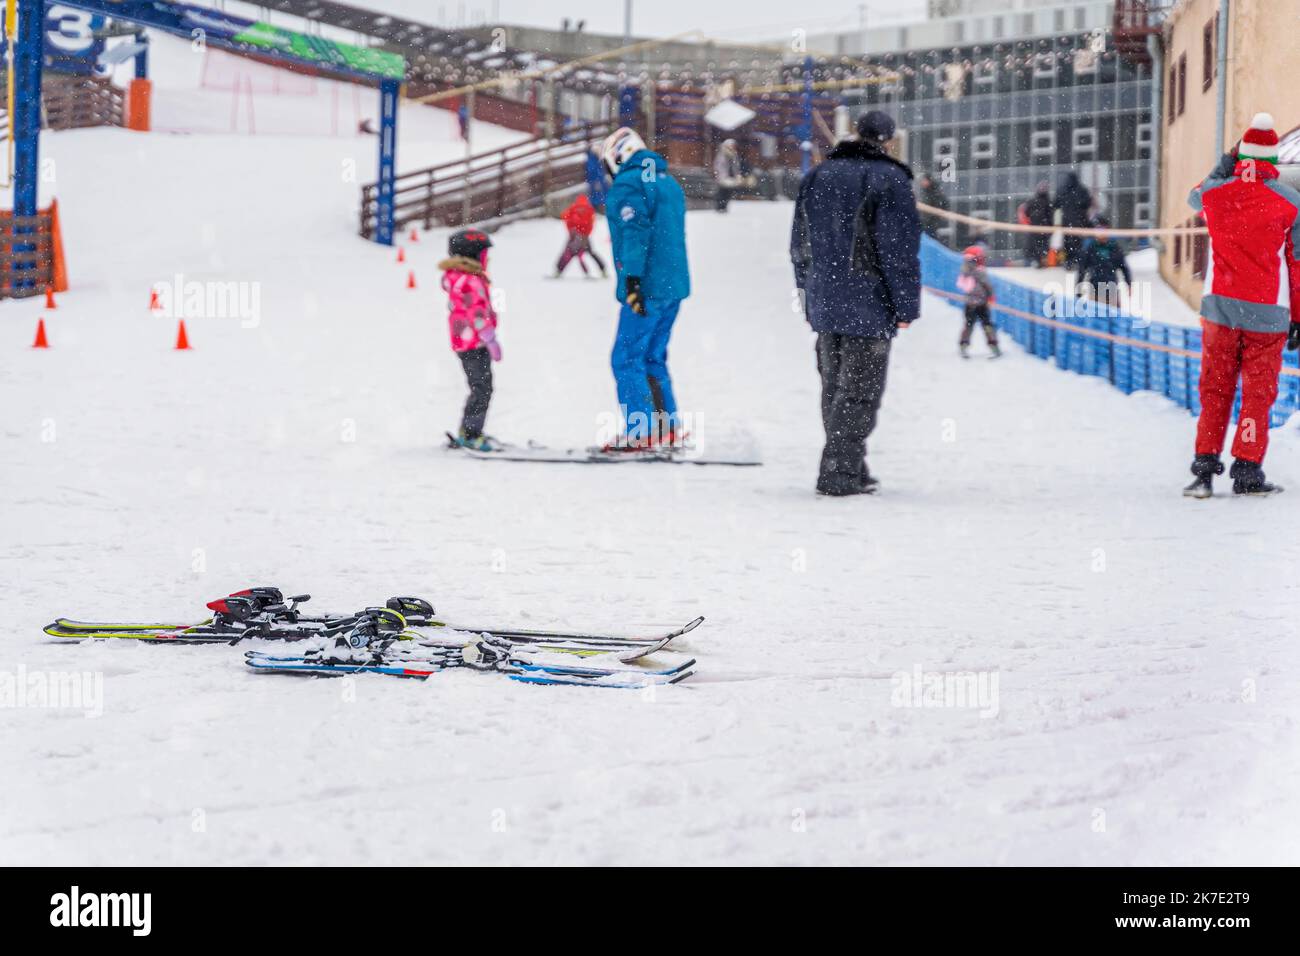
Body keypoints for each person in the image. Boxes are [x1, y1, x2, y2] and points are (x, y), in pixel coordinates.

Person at [790, 110, 921, 496]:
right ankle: (839, 473)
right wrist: (906, 306)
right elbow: (898, 251)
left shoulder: (817, 175)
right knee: (860, 391)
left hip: (826, 301)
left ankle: (852, 466)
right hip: (870, 302)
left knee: (834, 387)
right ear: (888, 139)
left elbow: (800, 242)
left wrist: (807, 291)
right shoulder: (890, 180)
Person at [1184, 112, 1300, 498]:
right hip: (1269, 314)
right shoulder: (1290, 203)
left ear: (1239, 156)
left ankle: (1204, 469)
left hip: (1220, 308)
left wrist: (1225, 163)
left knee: (1215, 390)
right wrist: (1297, 316)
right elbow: (1295, 263)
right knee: (1256, 393)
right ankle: (1247, 469)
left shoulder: (1215, 194)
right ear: (1273, 162)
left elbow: (1193, 195)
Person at [601, 126, 691, 449]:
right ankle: (668, 426)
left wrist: (633, 283)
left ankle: (640, 430)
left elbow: (634, 232)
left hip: (647, 287)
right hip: (673, 287)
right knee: (653, 356)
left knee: (626, 358)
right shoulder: (667, 182)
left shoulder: (629, 183)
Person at [440, 229, 503, 451]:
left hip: (466, 342)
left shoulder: (460, 278)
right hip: (474, 344)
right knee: (482, 388)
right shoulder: (470, 281)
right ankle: (470, 433)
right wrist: (489, 337)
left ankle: (470, 430)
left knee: (480, 387)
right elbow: (476, 313)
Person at [1076, 216, 1131, 310]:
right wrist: (1078, 289)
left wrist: (1129, 284)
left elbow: (1124, 267)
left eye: (1103, 229)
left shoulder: (1114, 247)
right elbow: (1082, 269)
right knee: (1096, 317)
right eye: (1098, 230)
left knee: (1112, 317)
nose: (1101, 233)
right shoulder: (1091, 248)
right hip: (1095, 289)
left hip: (1111, 289)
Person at [957, 245, 999, 359]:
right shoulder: (979, 271)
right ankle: (993, 345)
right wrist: (991, 296)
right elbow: (987, 285)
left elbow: (962, 286)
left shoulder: (964, 270)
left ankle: (963, 345)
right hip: (981, 303)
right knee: (987, 325)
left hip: (970, 303)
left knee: (969, 324)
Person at [553, 194, 607, 278]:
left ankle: (558, 271)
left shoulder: (573, 208)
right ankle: (603, 269)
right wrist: (586, 233)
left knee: (568, 253)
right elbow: (591, 224)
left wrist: (572, 231)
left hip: (574, 236)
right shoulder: (589, 209)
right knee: (591, 253)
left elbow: (564, 217)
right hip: (584, 237)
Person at [1053, 172, 1093, 272]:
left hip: (1066, 221)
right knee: (1078, 243)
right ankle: (1078, 261)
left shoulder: (1062, 190)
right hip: (1079, 221)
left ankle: (1068, 261)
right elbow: (1087, 203)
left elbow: (1055, 204)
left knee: (1067, 242)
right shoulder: (1082, 190)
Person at [1021, 181, 1053, 266]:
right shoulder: (1048, 202)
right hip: (1044, 228)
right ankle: (1041, 260)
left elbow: (1026, 212)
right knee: (1042, 246)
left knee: (1035, 245)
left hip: (1035, 228)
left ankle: (1036, 260)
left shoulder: (1032, 201)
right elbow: (1050, 216)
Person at [916, 171, 951, 242]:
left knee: (930, 238)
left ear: (929, 181)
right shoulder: (925, 192)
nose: (922, 182)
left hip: (931, 221)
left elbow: (944, 203)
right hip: (926, 221)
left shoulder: (935, 192)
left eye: (924, 180)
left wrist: (941, 214)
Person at [713, 138, 743, 213]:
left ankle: (724, 207)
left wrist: (737, 175)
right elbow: (719, 166)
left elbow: (736, 166)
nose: (733, 147)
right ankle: (720, 207)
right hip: (723, 176)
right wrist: (721, 176)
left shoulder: (734, 155)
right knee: (722, 192)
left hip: (731, 176)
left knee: (728, 193)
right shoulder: (722, 154)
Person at [585, 147, 610, 213]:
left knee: (600, 193)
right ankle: (597, 207)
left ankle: (600, 206)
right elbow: (592, 171)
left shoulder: (597, 158)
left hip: (600, 179)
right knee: (597, 193)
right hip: (596, 180)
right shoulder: (592, 159)